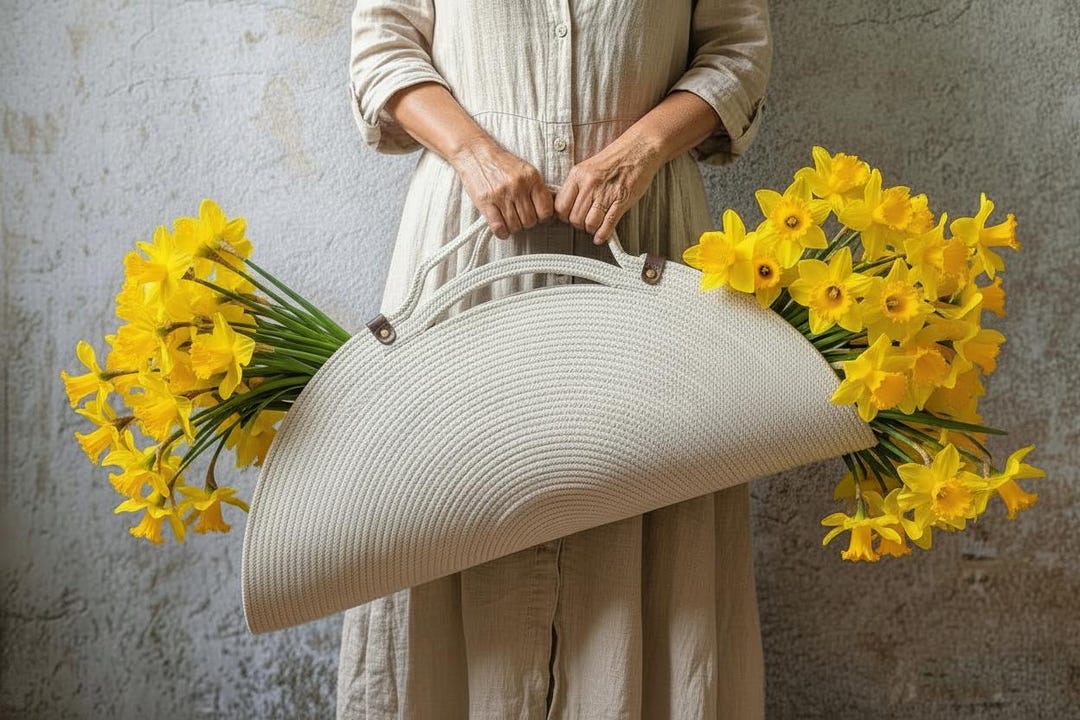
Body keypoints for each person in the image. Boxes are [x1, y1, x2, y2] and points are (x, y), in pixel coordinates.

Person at [342, 1, 773, 718]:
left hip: (646, 238)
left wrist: (636, 153)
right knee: (447, 517)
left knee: (650, 527)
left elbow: (738, 50)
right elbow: (383, 45)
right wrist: (475, 152)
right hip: (467, 243)